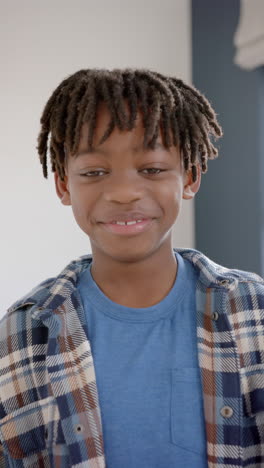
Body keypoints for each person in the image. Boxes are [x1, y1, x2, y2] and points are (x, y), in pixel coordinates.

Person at [0, 69, 263, 468]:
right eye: (94, 173)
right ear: (64, 185)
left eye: (152, 169)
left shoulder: (255, 313)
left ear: (189, 176)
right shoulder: (21, 334)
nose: (124, 192)